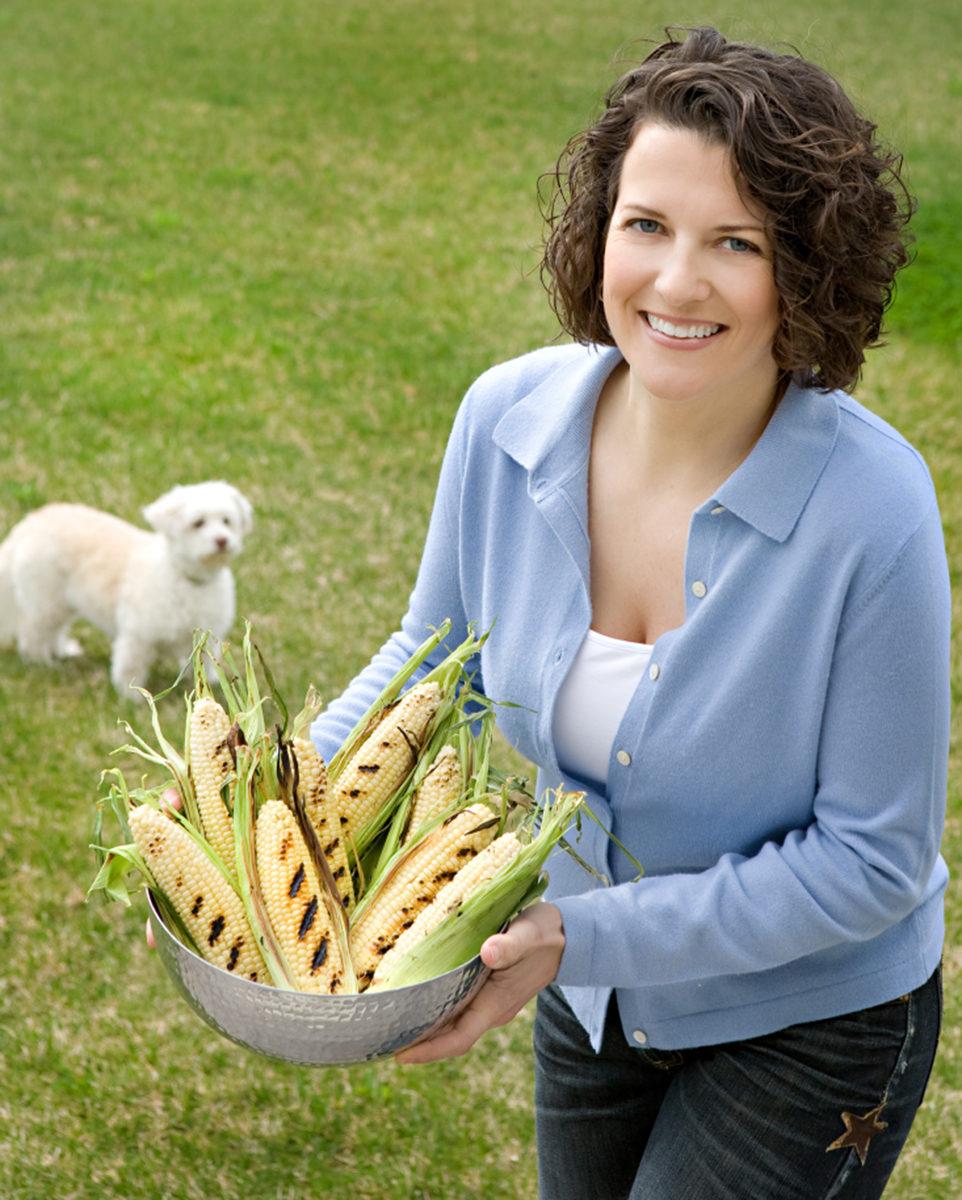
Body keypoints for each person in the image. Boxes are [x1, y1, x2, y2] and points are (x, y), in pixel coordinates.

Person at [311, 26, 949, 1198]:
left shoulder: (874, 509)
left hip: (808, 1018)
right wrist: (274, 807)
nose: (673, 281)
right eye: (644, 225)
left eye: (734, 243)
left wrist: (576, 939)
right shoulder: (504, 421)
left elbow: (872, 862)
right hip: (587, 987)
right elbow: (432, 656)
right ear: (597, 228)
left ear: (802, 271)